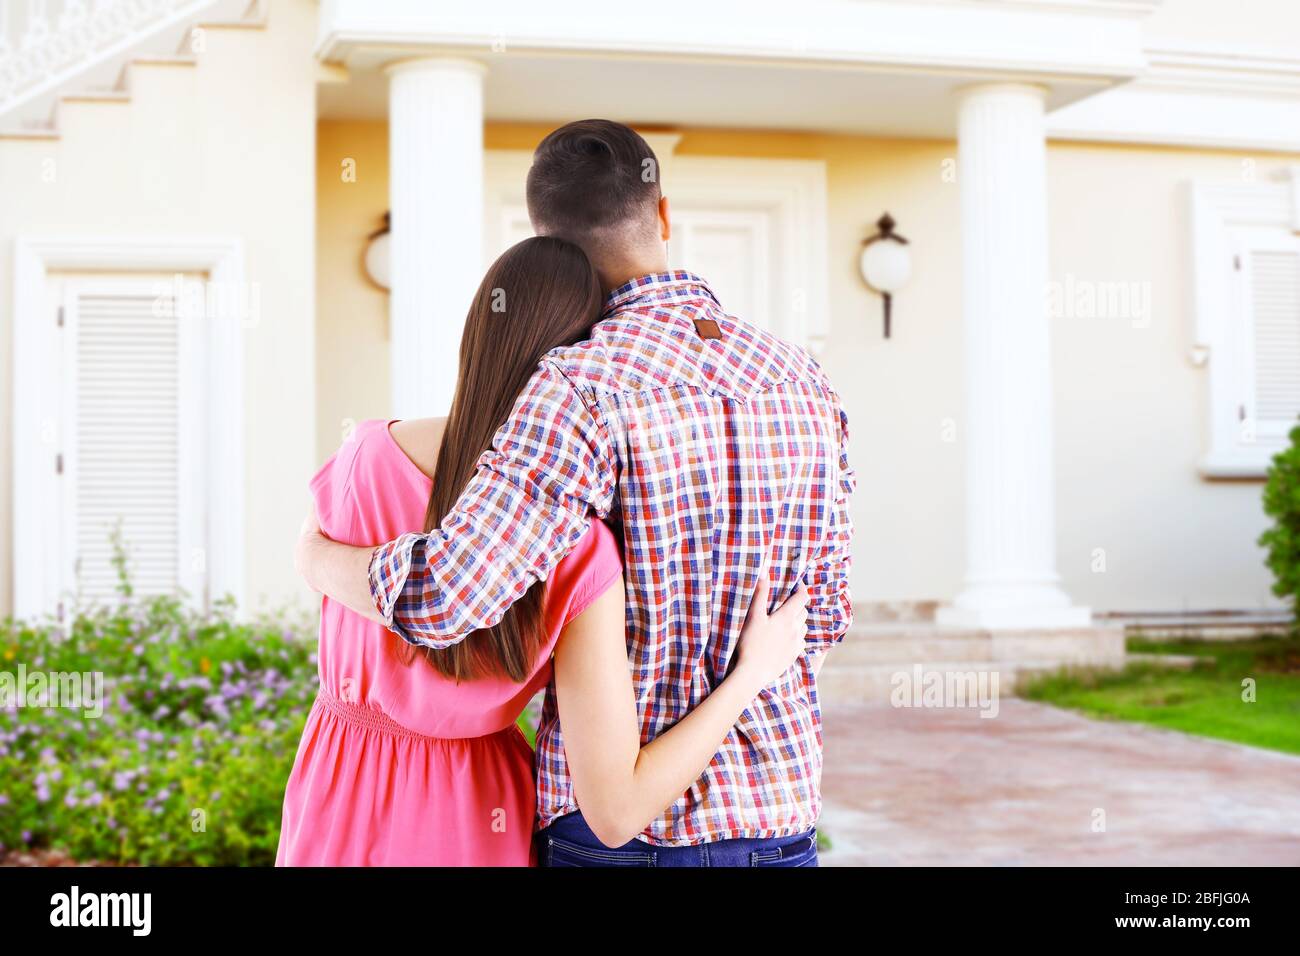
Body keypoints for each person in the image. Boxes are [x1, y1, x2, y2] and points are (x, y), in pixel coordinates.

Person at [296, 119, 855, 867]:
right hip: (778, 823)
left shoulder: (576, 386)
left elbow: (443, 599)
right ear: (662, 215)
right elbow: (819, 619)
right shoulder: (803, 378)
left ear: (548, 241)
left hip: (620, 842)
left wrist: (318, 560)